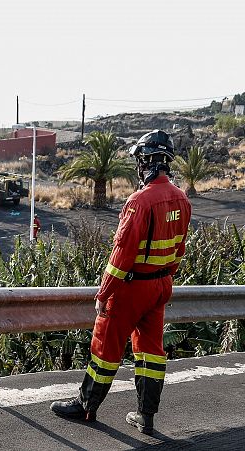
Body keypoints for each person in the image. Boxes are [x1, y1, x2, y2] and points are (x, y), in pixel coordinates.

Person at [50, 130, 191, 435]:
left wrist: (104, 294)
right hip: (161, 286)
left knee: (105, 347)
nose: (138, 166)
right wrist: (163, 278)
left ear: (149, 161)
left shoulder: (140, 201)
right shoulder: (181, 198)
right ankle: (146, 416)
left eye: (140, 160)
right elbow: (179, 250)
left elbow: (121, 256)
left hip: (132, 287)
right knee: (151, 351)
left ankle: (86, 406)